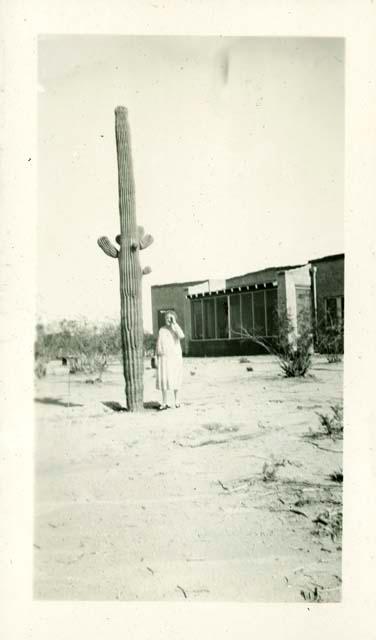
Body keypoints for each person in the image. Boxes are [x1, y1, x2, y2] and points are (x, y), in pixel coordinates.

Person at [156, 310, 185, 409]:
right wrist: (157, 355)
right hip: (164, 358)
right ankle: (164, 402)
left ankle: (177, 401)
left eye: (170, 317)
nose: (168, 319)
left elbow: (181, 336)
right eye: (166, 317)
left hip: (175, 358)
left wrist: (174, 324)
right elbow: (159, 344)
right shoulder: (162, 330)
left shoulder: (176, 328)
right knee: (164, 379)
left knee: (175, 378)